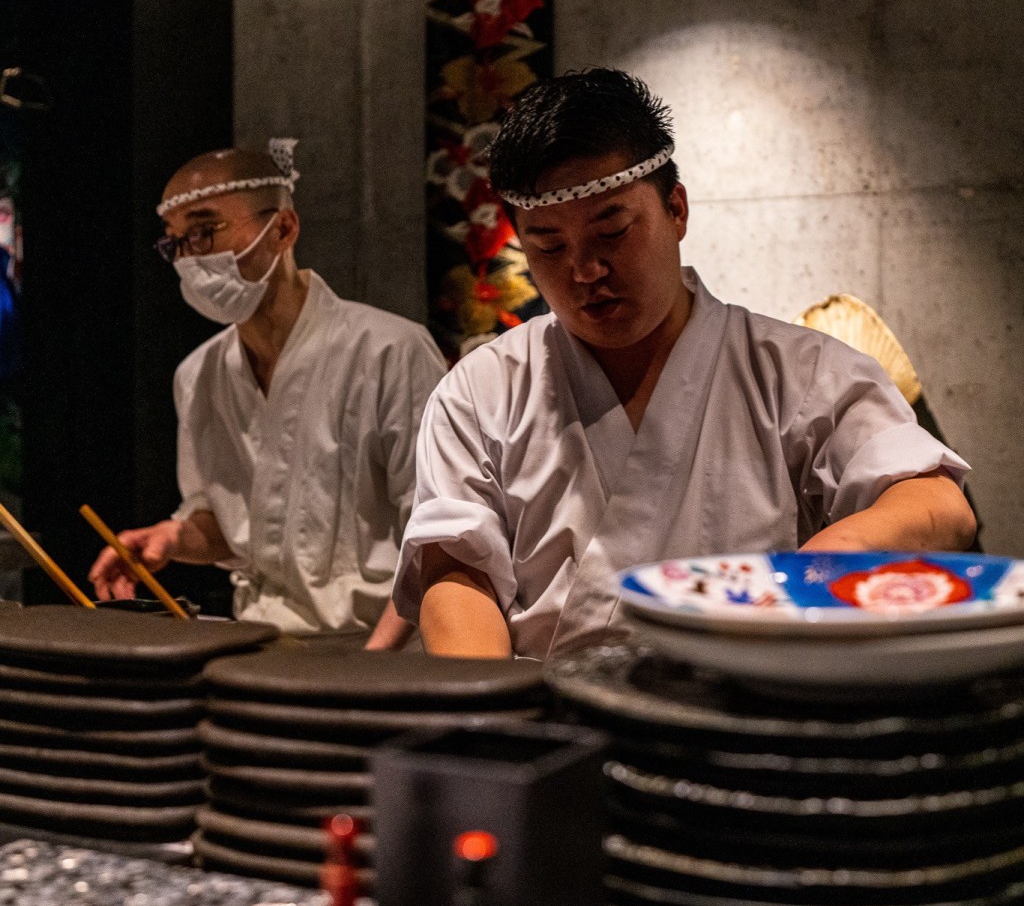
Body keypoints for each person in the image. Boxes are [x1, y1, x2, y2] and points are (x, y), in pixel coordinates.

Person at [388, 69, 977, 661]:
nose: (585, 270)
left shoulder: (801, 372)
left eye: (612, 232)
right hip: (544, 718)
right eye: (550, 248)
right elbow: (457, 571)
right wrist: (492, 718)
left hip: (747, 705)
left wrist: (808, 572)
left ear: (676, 209)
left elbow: (939, 507)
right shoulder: (480, 390)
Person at [89, 140, 446, 637]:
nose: (189, 258)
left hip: (381, 645)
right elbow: (230, 527)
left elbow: (440, 536)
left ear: (282, 228)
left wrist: (374, 663)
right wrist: (171, 538)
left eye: (204, 231)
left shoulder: (390, 350)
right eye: (175, 242)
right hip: (261, 641)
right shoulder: (198, 375)